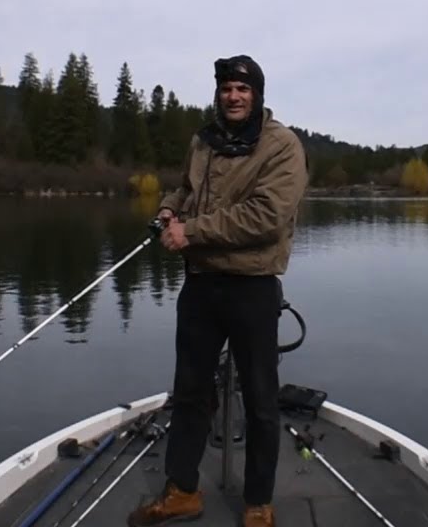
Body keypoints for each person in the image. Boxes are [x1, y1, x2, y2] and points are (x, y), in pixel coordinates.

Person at [127, 55, 309, 527]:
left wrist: (192, 232)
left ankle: (258, 505)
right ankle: (183, 490)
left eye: (243, 89)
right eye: (227, 87)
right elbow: (184, 191)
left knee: (261, 401)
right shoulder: (203, 141)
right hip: (201, 285)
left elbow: (266, 217)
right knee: (189, 393)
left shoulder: (282, 146)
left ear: (257, 95)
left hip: (252, 287)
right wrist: (169, 212)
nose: (233, 96)